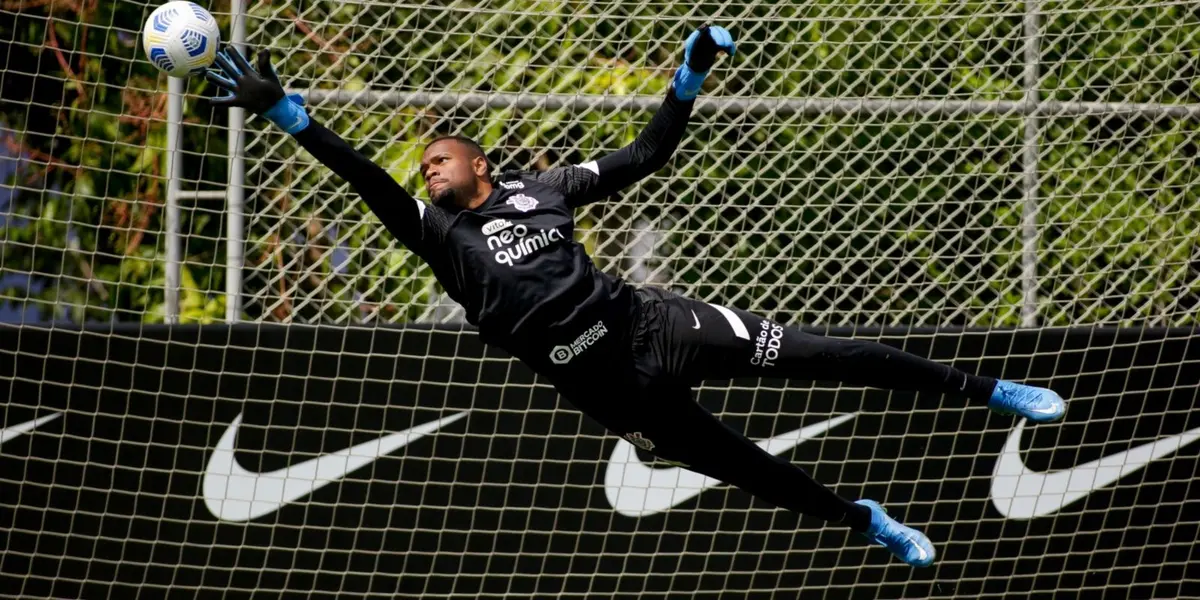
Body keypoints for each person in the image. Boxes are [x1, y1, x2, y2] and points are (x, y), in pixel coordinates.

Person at [205, 26, 1065, 568]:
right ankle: (865, 521)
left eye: (442, 158)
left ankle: (990, 392)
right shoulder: (440, 239)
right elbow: (369, 186)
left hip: (658, 326)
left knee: (826, 354)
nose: (428, 168)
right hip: (614, 392)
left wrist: (685, 82)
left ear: (482, 166)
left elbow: (648, 154)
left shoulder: (543, 190)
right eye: (425, 164)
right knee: (751, 472)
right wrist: (290, 114)